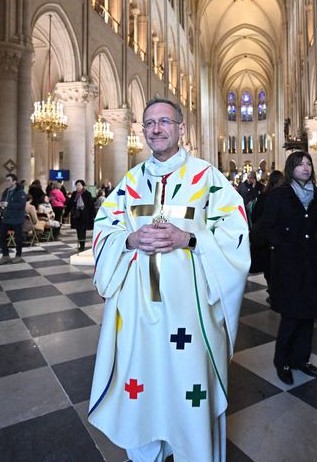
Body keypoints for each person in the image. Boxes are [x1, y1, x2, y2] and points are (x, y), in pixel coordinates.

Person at [88, 98, 250, 462]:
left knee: (189, 389)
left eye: (164, 121)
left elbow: (236, 234)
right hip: (137, 313)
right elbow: (104, 227)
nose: (156, 129)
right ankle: (146, 453)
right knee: (140, 384)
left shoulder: (207, 178)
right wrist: (129, 239)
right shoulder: (130, 182)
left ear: (181, 129)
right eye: (149, 123)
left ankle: (193, 451)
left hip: (188, 314)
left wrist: (189, 238)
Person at [256, 152, 317, 385]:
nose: (305, 167)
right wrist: (282, 245)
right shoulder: (279, 195)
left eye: (308, 163)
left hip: (309, 262)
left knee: (309, 313)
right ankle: (282, 362)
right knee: (291, 315)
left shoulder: (316, 195)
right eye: (300, 164)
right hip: (288, 263)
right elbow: (265, 227)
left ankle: (302, 359)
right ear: (291, 168)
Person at [249, 170, 284, 279]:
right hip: (272, 236)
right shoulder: (280, 196)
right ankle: (274, 290)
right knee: (273, 263)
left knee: (270, 264)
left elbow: (254, 215)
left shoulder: (264, 195)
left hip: (269, 236)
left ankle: (273, 289)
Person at [0, 173, 27, 265]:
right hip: (6, 218)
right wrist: (1, 205)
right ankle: (5, 255)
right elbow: (3, 201)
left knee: (18, 238)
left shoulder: (20, 192)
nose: (7, 182)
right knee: (1, 236)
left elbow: (21, 205)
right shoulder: (6, 191)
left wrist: (8, 205)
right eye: (6, 180)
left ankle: (18, 255)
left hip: (17, 218)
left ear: (14, 182)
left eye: (9, 180)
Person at [65, 179, 94, 251]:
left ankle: (82, 246)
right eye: (77, 185)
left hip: (84, 215)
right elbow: (70, 204)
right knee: (78, 230)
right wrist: (66, 213)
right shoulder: (74, 194)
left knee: (82, 230)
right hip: (76, 214)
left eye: (79, 185)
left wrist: (93, 216)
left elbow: (91, 206)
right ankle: (80, 243)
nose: (77, 186)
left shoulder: (87, 194)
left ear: (83, 186)